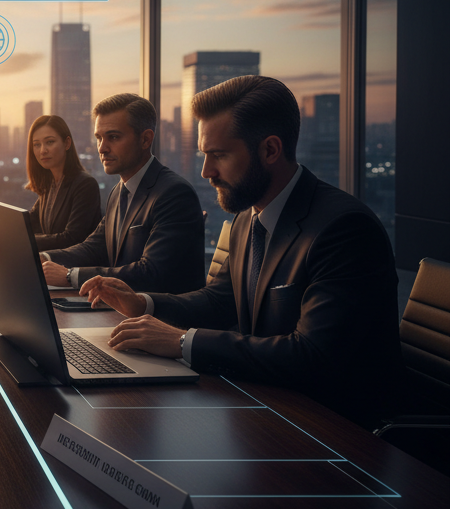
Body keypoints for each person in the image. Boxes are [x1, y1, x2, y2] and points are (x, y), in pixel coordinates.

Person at [82, 76, 402, 427]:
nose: (206, 171)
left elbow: (311, 356)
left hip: (334, 432)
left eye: (219, 155)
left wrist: (182, 342)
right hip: (264, 407)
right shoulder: (248, 219)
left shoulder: (345, 230)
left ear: (270, 150)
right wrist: (144, 305)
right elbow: (220, 301)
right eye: (204, 155)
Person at [40, 94, 205, 294]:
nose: (102, 148)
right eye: (99, 138)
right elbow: (95, 247)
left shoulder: (174, 194)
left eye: (114, 137)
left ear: (145, 139)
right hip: (119, 307)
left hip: (161, 312)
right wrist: (44, 258)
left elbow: (150, 272)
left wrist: (70, 276)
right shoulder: (118, 191)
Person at [24, 114, 100, 252]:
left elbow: (72, 238)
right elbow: (29, 222)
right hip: (50, 262)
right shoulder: (50, 185)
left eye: (50, 142)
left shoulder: (85, 185)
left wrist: (25, 240)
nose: (43, 150)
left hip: (74, 264)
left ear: (67, 143)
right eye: (37, 144)